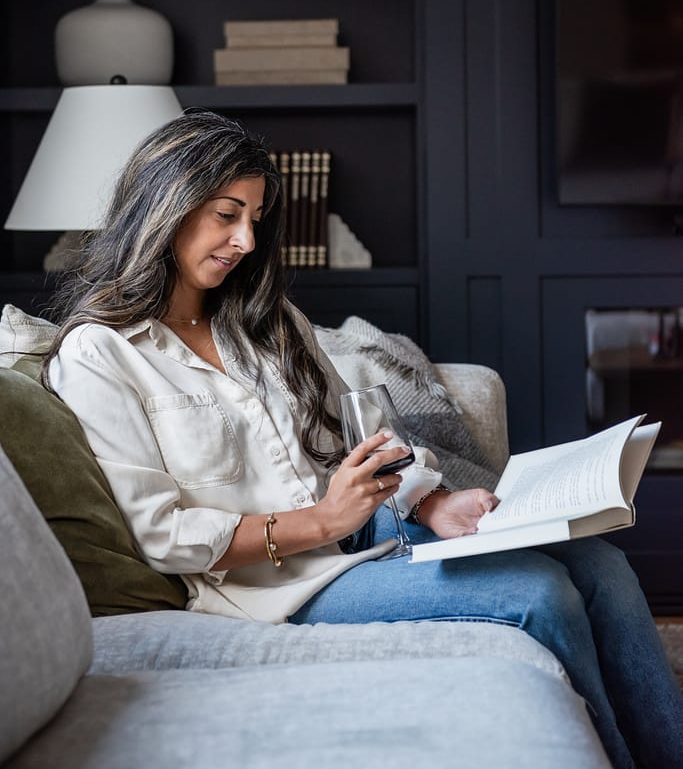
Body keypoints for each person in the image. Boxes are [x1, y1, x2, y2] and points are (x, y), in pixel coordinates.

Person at [44, 110, 682, 769]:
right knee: (537, 594)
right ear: (164, 205)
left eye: (255, 220)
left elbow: (350, 442)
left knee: (601, 564)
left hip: (364, 530)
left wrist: (430, 502)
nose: (242, 239)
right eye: (225, 214)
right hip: (273, 584)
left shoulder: (263, 319)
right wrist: (322, 517)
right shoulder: (100, 354)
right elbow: (160, 533)